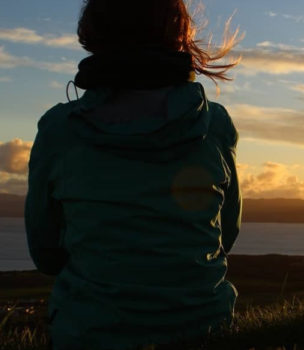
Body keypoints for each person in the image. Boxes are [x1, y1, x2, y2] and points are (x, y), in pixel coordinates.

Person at [24, 1, 242, 348]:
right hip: (205, 332)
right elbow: (224, 236)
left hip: (90, 336)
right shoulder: (214, 125)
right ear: (179, 34)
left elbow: (46, 254)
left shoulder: (59, 130)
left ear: (93, 36)